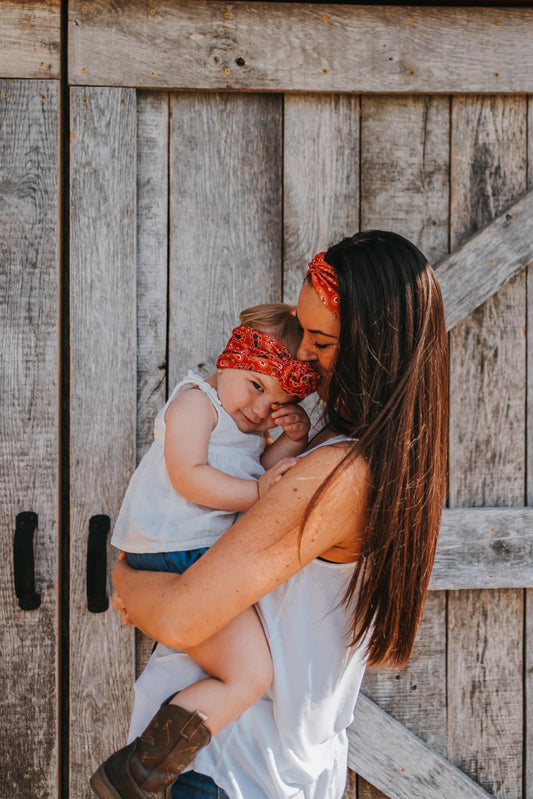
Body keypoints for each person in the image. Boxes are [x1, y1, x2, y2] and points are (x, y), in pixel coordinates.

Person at [108, 231, 449, 799]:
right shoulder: (363, 459)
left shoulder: (336, 475)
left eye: (321, 339)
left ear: (371, 346)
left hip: (230, 765)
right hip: (279, 766)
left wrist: (121, 578)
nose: (305, 356)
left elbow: (181, 617)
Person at [90, 304, 319, 799]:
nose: (261, 410)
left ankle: (155, 770)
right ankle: (138, 772)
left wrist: (290, 442)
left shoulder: (248, 427)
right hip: (174, 547)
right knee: (250, 673)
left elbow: (255, 472)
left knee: (240, 670)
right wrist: (259, 495)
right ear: (230, 357)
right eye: (257, 386)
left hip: (196, 554)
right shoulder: (197, 403)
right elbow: (189, 476)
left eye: (277, 402)